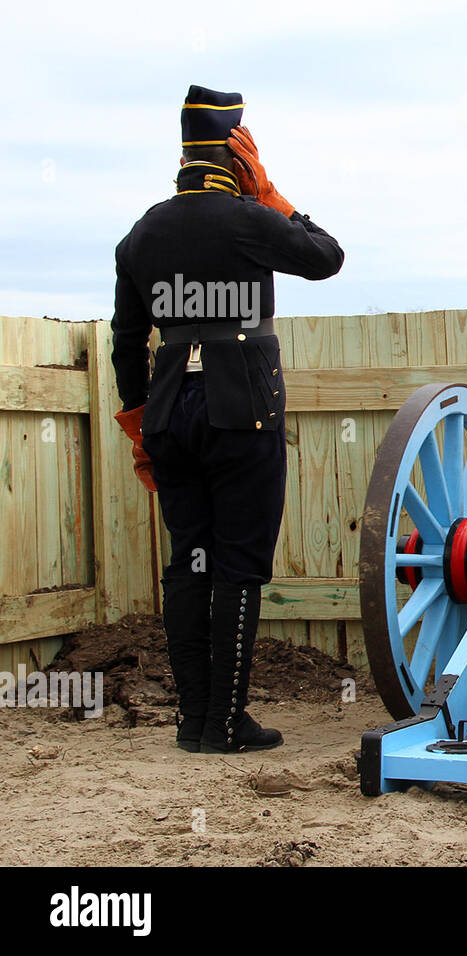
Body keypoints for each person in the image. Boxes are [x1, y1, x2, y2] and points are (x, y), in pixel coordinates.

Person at [111, 85, 344, 754]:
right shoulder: (246, 216)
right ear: (237, 153)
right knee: (238, 565)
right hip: (239, 409)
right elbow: (325, 257)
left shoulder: (142, 233)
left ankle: (191, 723)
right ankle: (227, 723)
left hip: (168, 415)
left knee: (189, 564)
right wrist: (271, 192)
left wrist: (138, 421)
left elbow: (127, 342)